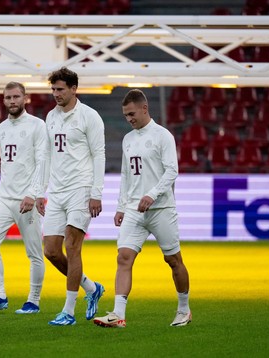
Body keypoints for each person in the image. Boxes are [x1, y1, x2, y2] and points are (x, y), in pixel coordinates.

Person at [93, 89, 191, 328]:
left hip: (161, 209)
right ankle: (118, 314)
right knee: (123, 257)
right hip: (134, 211)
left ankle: (184, 309)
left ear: (145, 108)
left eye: (132, 114)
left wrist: (152, 194)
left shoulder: (162, 136)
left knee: (173, 260)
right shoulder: (128, 139)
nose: (129, 119)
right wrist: (121, 207)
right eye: (126, 115)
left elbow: (172, 171)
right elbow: (126, 175)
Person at [43, 67, 106, 326]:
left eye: (60, 89)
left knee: (72, 246)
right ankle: (91, 288)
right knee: (51, 251)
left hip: (81, 188)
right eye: (53, 89)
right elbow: (46, 155)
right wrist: (39, 191)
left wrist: (96, 193)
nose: (56, 94)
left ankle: (68, 312)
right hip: (56, 191)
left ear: (73, 89)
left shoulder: (90, 117)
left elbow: (99, 154)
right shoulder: (50, 116)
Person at [0, 82, 48, 315]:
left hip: (26, 199)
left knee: (34, 253)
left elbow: (42, 162)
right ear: (3, 100)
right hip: (4, 197)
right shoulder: (1, 129)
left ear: (25, 98)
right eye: (8, 97)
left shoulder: (38, 126)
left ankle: (33, 301)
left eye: (16, 96)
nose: (12, 101)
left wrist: (34, 193)